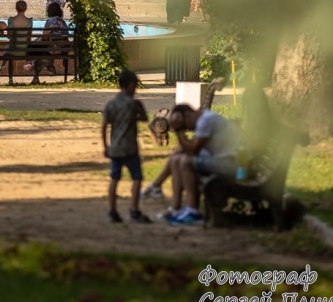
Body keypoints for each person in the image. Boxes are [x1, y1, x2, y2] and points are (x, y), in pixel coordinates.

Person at [148, 103, 240, 225]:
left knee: (186, 162)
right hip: (222, 159)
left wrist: (179, 131)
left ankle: (193, 212)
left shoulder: (206, 120)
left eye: (185, 125)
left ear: (188, 115)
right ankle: (176, 208)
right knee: (177, 159)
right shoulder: (204, 119)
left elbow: (192, 150)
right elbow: (188, 148)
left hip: (231, 163)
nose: (187, 129)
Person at [102, 70, 152, 223]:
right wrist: (135, 117)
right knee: (136, 178)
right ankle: (134, 210)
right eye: (135, 86)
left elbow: (104, 126)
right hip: (130, 147)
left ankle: (112, 211)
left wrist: (105, 146)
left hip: (115, 147)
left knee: (114, 178)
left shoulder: (111, 104)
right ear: (130, 86)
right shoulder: (134, 104)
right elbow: (144, 117)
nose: (135, 90)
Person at [29, 1, 69, 81]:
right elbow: (66, 35)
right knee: (41, 52)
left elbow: (45, 35)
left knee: (37, 51)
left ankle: (45, 67)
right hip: (62, 49)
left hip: (51, 49)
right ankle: (48, 66)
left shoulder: (50, 21)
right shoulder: (63, 22)